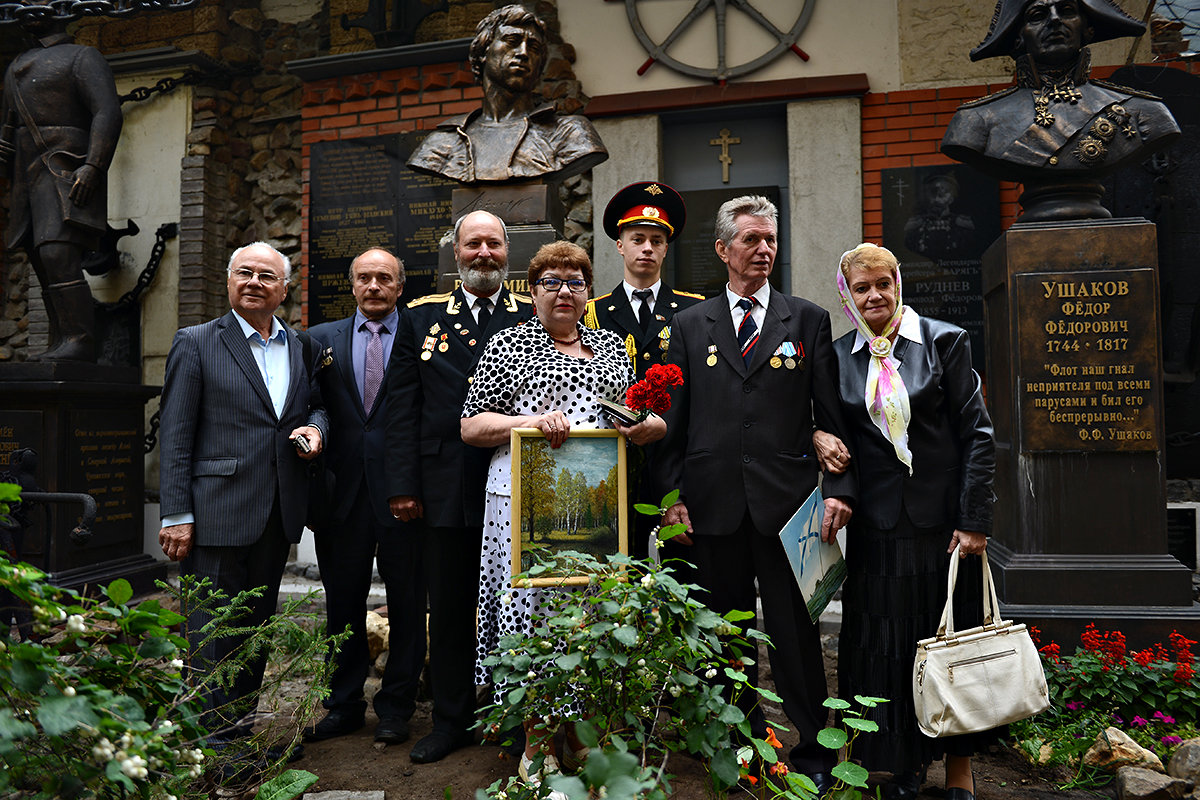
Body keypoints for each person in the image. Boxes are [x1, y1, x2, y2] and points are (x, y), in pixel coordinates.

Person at [655, 195, 855, 790]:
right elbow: (673, 421)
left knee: (797, 637)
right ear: (722, 250)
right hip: (712, 507)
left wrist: (839, 486)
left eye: (771, 240)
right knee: (726, 634)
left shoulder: (808, 319)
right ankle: (744, 751)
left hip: (791, 508)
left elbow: (832, 412)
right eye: (751, 240)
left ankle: (815, 754)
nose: (764, 250)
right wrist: (671, 496)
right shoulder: (691, 325)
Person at [460, 240, 664, 793]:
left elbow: (628, 416)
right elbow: (472, 427)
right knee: (533, 617)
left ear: (587, 291)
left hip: (594, 506)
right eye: (551, 281)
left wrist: (649, 425)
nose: (564, 291)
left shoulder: (610, 349)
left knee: (584, 616)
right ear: (534, 291)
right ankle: (534, 744)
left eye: (575, 281)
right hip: (522, 505)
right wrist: (527, 423)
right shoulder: (508, 345)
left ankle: (576, 736)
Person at [813, 243, 996, 800]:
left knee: (947, 644)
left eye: (883, 284)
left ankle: (959, 771)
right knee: (884, 646)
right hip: (875, 528)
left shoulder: (943, 341)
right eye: (862, 287)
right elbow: (826, 426)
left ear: (898, 284)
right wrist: (818, 442)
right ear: (848, 294)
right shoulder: (840, 355)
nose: (875, 296)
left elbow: (978, 436)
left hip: (942, 529)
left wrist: (973, 520)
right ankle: (903, 764)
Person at [158, 242, 327, 779]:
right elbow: (177, 435)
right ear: (229, 282)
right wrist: (175, 514)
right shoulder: (198, 343)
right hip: (214, 514)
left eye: (267, 276)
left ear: (283, 289)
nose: (255, 282)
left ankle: (241, 733)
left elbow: (315, 403)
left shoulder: (298, 346)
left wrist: (315, 429)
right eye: (245, 274)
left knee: (255, 630)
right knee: (213, 633)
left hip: (277, 514)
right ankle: (215, 749)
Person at [383, 210, 534, 764]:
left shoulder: (531, 314)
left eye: (493, 244)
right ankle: (450, 720)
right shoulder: (420, 317)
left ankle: (514, 716)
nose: (484, 254)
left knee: (517, 606)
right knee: (447, 609)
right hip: (442, 486)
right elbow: (402, 408)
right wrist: (403, 484)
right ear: (455, 252)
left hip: (517, 485)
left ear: (507, 252)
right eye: (473, 245)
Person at [305, 248, 425, 746]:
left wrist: (413, 483)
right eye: (363, 278)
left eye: (384, 278)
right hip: (343, 497)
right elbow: (311, 404)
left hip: (406, 497)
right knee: (343, 605)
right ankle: (344, 702)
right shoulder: (318, 340)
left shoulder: (424, 337)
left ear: (400, 286)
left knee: (409, 601)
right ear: (352, 285)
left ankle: (397, 706)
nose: (373, 286)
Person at [941, 0, 1178, 218]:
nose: (1055, 20)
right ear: (1018, 38)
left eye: (1066, 11)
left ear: (1088, 29)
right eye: (1038, 15)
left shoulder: (1144, 112)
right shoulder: (976, 120)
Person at [584, 180, 703, 559]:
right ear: (620, 245)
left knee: (682, 574)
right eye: (637, 238)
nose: (647, 248)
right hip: (615, 460)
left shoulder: (693, 310)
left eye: (656, 240)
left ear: (667, 248)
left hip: (677, 458)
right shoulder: (593, 312)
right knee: (617, 569)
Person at [0, 13, 122, 362]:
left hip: (63, 166)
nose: (26, 7)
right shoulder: (17, 65)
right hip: (28, 172)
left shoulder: (83, 57)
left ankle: (80, 339)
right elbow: (10, 124)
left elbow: (107, 112)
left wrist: (94, 165)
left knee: (57, 252)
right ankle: (60, 340)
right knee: (41, 257)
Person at [406, 4, 606, 184]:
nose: (523, 52)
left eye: (534, 48)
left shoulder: (571, 133)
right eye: (512, 40)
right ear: (484, 51)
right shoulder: (443, 143)